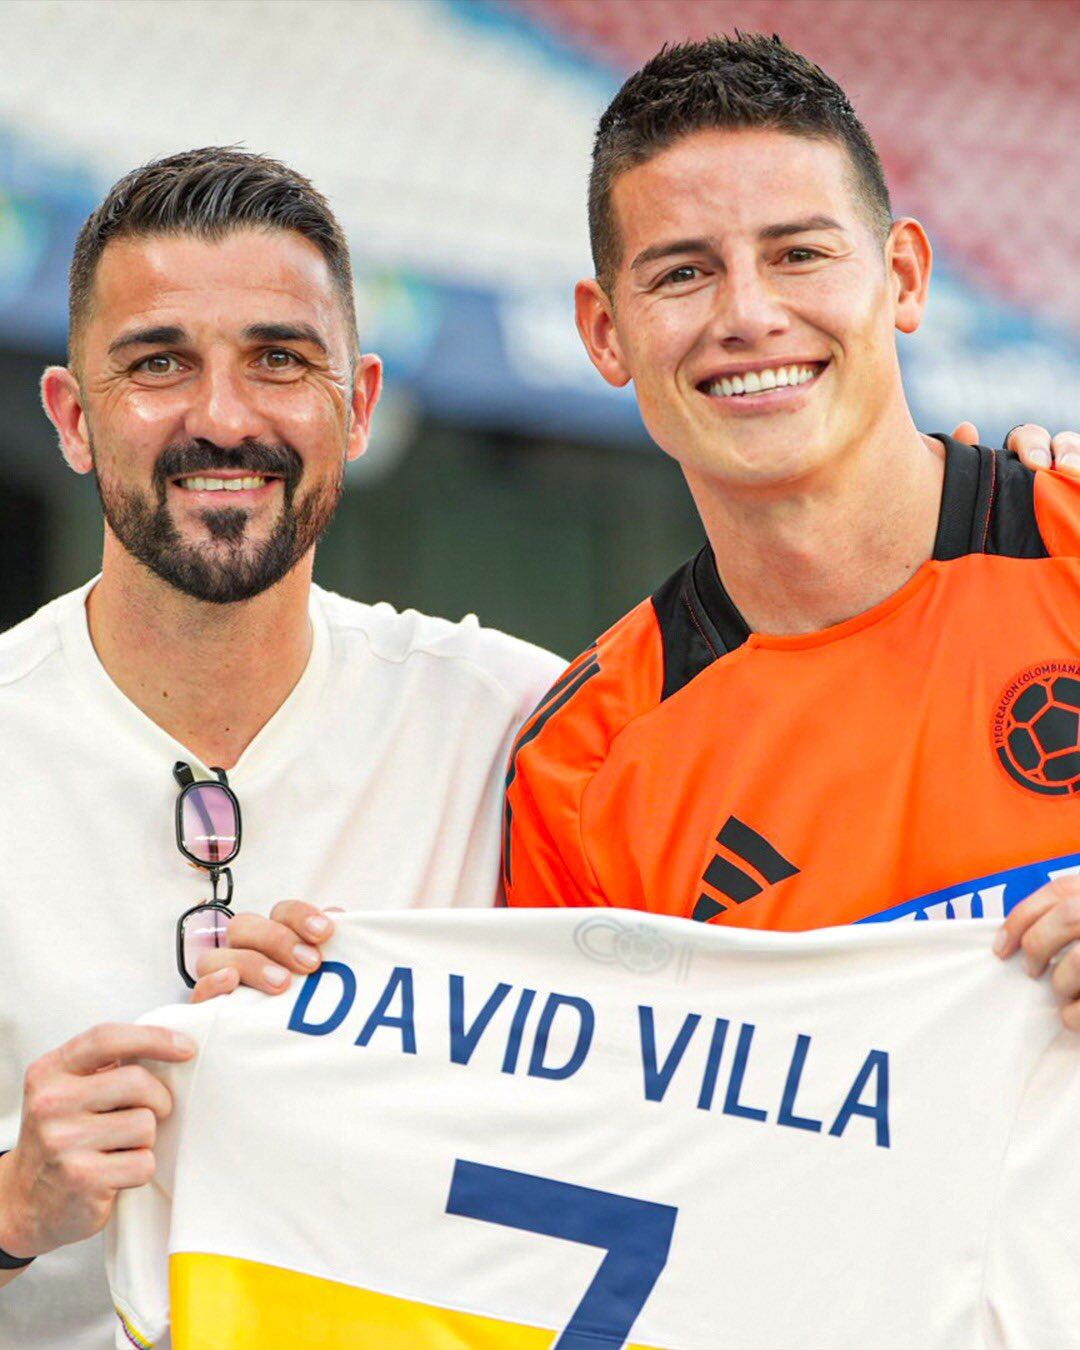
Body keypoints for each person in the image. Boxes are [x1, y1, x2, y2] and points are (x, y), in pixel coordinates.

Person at [0, 147, 564, 1349]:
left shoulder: (518, 724)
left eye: (279, 360)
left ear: (357, 406)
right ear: (73, 418)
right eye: (159, 363)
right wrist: (11, 1208)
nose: (222, 418)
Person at [500, 35, 1080, 1023]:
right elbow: (580, 1114)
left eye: (799, 254)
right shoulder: (584, 767)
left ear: (904, 276)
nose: (748, 314)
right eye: (683, 274)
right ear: (606, 333)